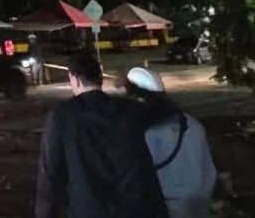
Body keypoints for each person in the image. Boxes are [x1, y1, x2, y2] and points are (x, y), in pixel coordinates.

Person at [35, 53, 171, 218]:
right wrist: (132, 87)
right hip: (133, 209)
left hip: (88, 210)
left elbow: (50, 176)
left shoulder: (62, 116)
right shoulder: (127, 110)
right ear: (100, 78)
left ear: (74, 79)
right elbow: (164, 107)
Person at [126, 67, 217, 218]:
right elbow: (209, 171)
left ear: (137, 98)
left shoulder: (143, 132)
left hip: (166, 207)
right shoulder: (191, 123)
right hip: (198, 204)